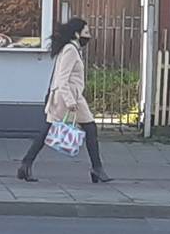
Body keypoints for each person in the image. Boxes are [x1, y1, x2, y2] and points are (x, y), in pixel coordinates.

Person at [18, 18, 112, 183]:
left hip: (66, 97)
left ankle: (25, 165)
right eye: (86, 32)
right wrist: (70, 101)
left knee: (50, 130)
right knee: (89, 128)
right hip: (67, 98)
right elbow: (62, 78)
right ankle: (97, 169)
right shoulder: (70, 50)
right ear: (77, 34)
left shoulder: (71, 49)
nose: (88, 36)